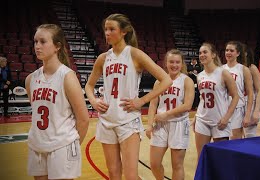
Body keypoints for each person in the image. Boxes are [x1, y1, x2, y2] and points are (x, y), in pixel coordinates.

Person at [84, 14, 172, 180]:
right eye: (106, 29)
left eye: (112, 29)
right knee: (113, 173)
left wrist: (142, 100)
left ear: (123, 32)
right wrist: (93, 100)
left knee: (131, 176)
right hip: (106, 120)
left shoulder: (134, 54)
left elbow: (166, 80)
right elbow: (88, 85)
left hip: (128, 121)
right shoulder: (103, 58)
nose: (107, 33)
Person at [25, 24, 89, 179]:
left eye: (42, 41)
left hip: (62, 146)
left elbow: (83, 119)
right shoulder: (30, 79)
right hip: (37, 145)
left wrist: (70, 144)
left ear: (57, 46)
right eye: (35, 42)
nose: (37, 46)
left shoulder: (67, 77)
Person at [146, 49, 194, 180]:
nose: (174, 65)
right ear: (166, 63)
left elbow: (187, 105)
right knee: (154, 163)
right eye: (171, 62)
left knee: (177, 165)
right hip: (161, 125)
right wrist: (149, 125)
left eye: (177, 62)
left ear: (182, 64)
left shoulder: (186, 81)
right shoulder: (159, 81)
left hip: (179, 124)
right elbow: (153, 104)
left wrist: (166, 114)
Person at [193, 42, 239, 160]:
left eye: (205, 52)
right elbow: (202, 98)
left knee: (220, 159)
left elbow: (235, 97)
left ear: (213, 55)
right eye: (200, 53)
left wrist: (226, 118)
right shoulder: (200, 76)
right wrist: (195, 117)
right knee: (202, 157)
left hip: (219, 121)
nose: (202, 55)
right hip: (202, 120)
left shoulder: (223, 73)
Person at [222, 41, 253, 139]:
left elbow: (250, 93)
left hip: (237, 108)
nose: (228, 53)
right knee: (222, 139)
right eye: (227, 50)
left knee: (235, 139)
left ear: (238, 53)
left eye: (232, 50)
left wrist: (248, 114)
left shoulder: (243, 69)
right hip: (223, 108)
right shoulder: (220, 69)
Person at [242, 44, 260, 138]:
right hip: (238, 104)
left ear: (245, 53)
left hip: (250, 103)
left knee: (250, 136)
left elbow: (259, 90)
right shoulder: (235, 68)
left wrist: (256, 110)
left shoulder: (252, 68)